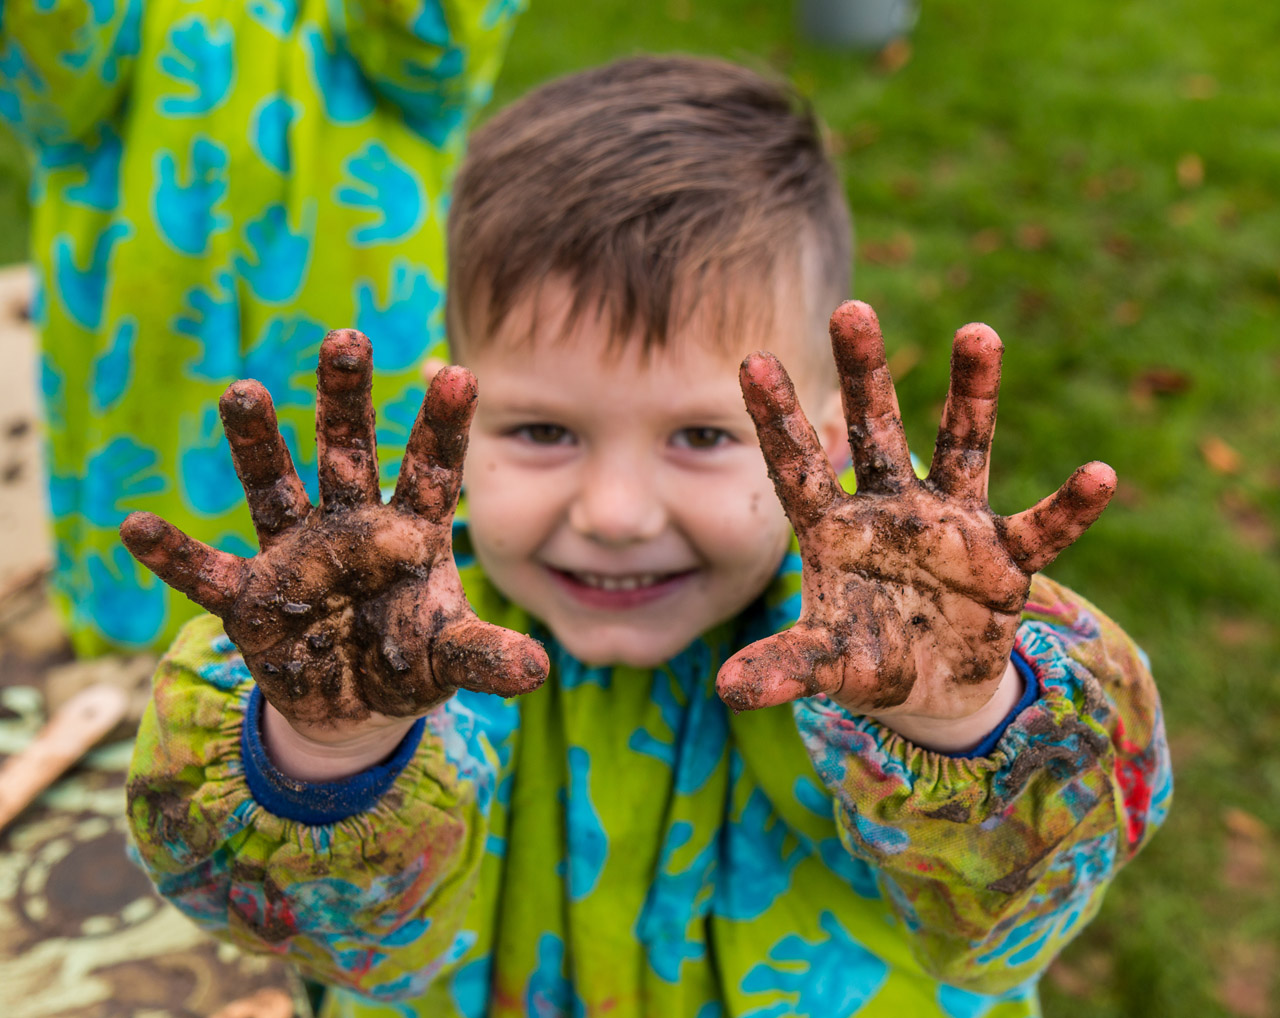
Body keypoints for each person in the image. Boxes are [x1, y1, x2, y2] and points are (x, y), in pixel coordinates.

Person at [120, 56, 1172, 1018]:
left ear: (824, 438)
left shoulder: (919, 641)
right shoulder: (378, 644)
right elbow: (313, 937)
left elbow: (1016, 924)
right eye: (543, 431)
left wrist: (959, 720)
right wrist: (330, 748)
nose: (615, 513)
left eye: (703, 435)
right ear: (453, 415)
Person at [0, 0, 524, 656]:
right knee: (153, 540)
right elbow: (54, 95)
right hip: (141, 288)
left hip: (354, 260)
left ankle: (388, 652)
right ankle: (145, 661)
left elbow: (434, 63)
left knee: (375, 533)